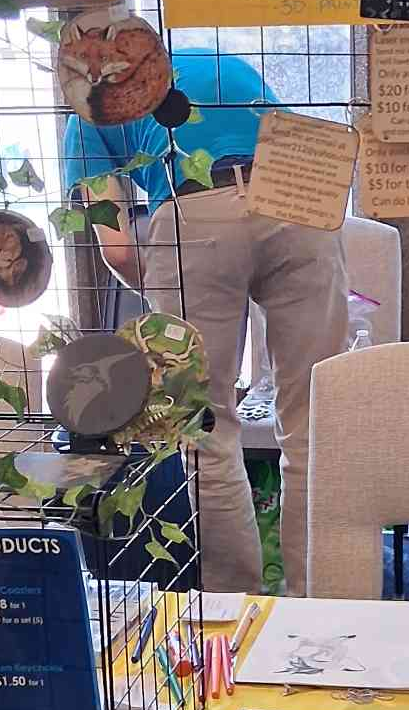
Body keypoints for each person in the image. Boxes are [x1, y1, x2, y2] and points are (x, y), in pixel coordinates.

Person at [62, 49, 346, 596]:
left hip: (197, 208)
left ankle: (236, 612)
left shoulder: (85, 115)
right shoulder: (217, 59)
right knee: (313, 423)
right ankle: (320, 607)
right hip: (303, 194)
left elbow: (119, 251)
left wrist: (172, 287)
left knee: (205, 430)